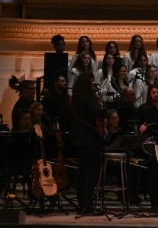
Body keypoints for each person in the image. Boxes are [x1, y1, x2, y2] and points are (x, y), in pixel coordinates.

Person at [70, 70, 105, 215]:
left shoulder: (75, 98)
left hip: (79, 139)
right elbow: (97, 112)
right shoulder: (90, 97)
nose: (93, 83)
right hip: (91, 139)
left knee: (82, 173)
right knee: (91, 173)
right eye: (91, 80)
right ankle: (88, 205)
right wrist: (101, 106)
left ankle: (82, 204)